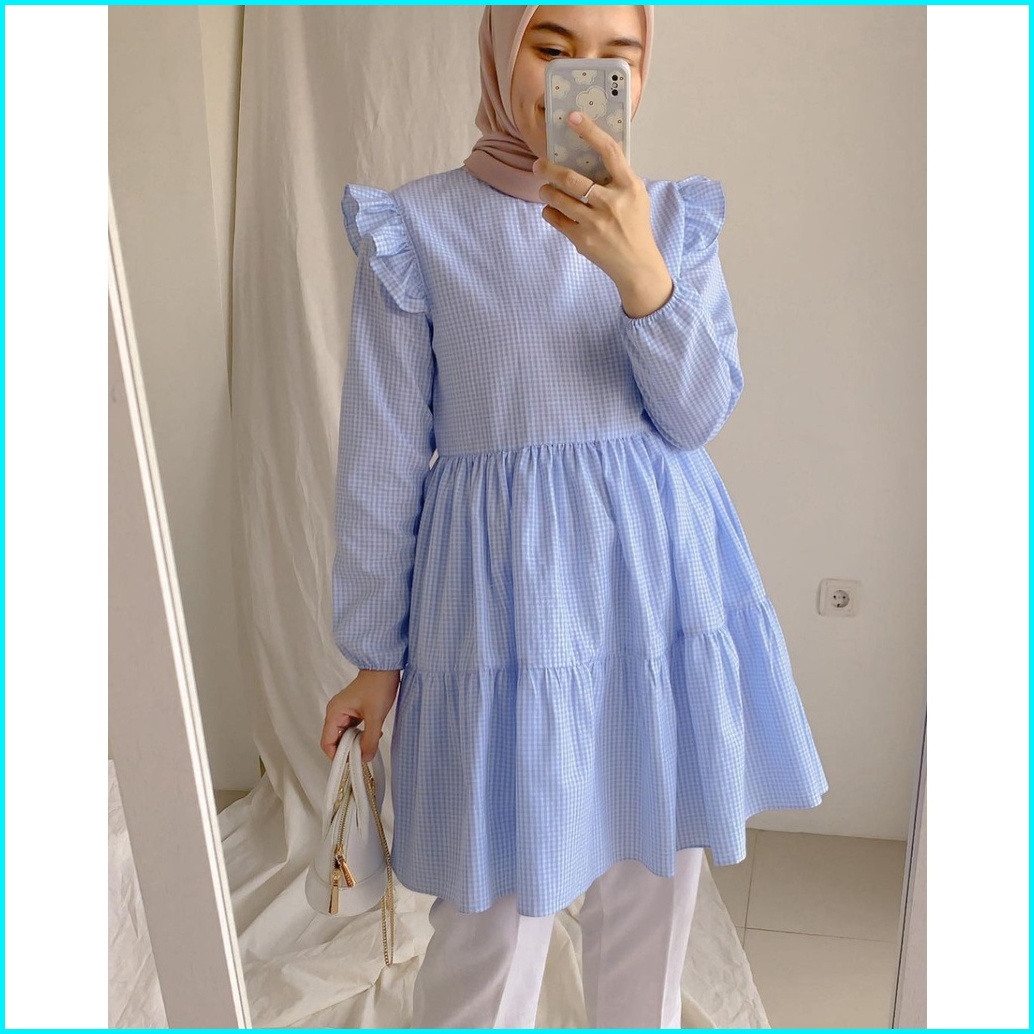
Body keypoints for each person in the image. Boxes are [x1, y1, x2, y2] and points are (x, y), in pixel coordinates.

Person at [320, 5, 828, 1028]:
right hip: (500, 613)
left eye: (617, 59)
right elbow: (381, 460)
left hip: (657, 592)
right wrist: (376, 653)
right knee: (494, 914)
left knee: (651, 882)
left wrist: (641, 270)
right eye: (551, 49)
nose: (580, 81)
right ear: (498, 49)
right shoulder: (418, 229)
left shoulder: (672, 219)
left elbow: (695, 416)